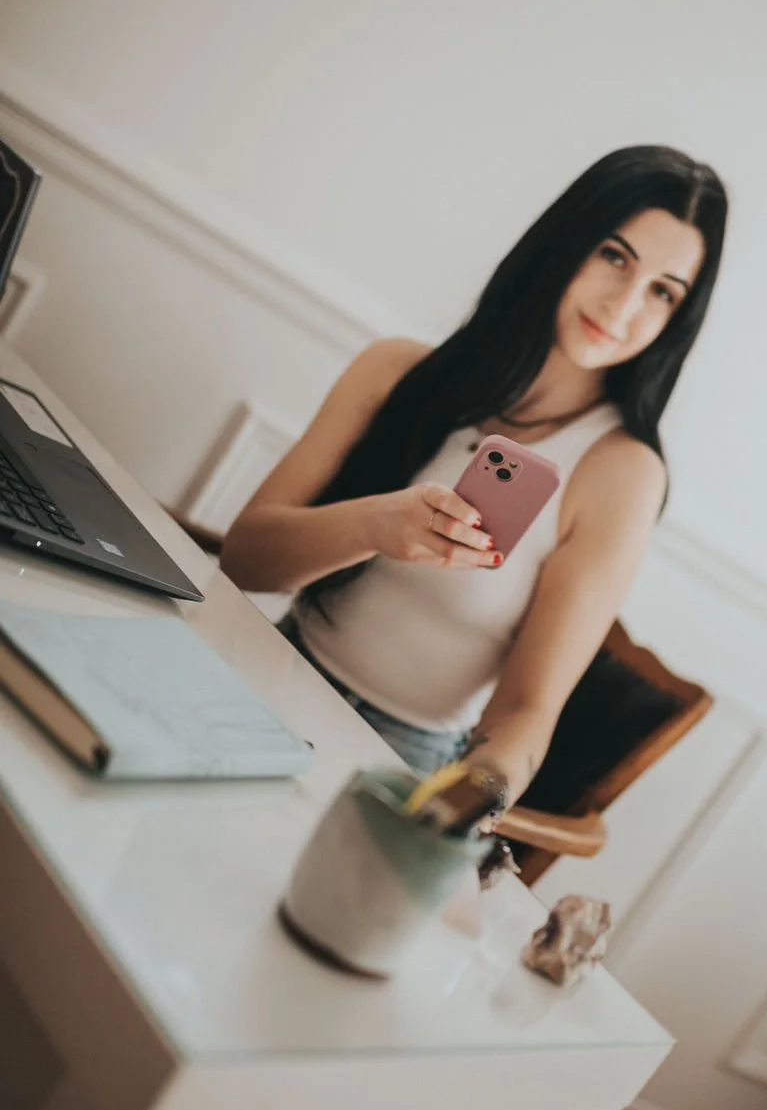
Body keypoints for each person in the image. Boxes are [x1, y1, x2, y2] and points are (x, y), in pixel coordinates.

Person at [220, 145, 728, 816]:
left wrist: (460, 807)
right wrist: (378, 525)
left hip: (401, 759)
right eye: (614, 255)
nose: (625, 303)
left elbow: (525, 713)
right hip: (267, 667)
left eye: (663, 291)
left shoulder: (623, 476)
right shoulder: (396, 370)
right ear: (565, 242)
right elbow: (245, 559)